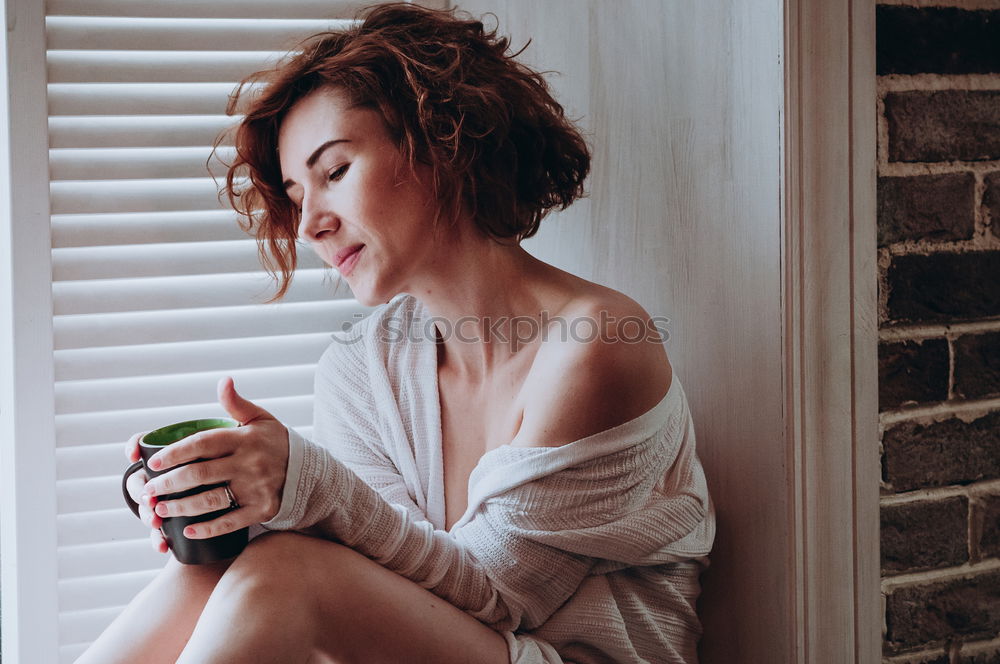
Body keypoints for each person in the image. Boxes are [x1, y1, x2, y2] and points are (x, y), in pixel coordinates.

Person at [77, 4, 714, 663]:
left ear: (442, 139)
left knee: (287, 573)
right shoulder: (362, 366)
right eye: (297, 196)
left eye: (334, 172)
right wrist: (237, 496)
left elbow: (503, 597)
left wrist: (308, 485)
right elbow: (387, 558)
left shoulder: (598, 344)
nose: (309, 226)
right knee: (219, 563)